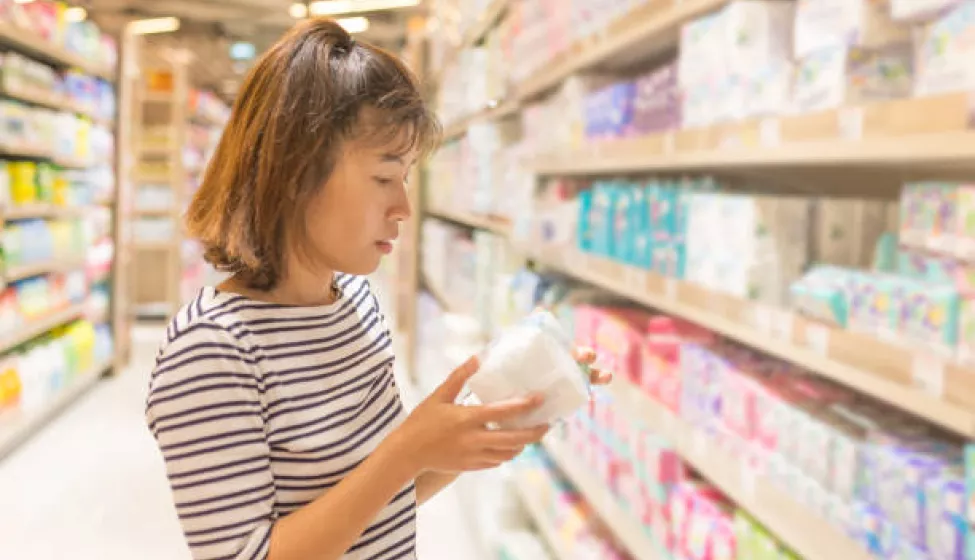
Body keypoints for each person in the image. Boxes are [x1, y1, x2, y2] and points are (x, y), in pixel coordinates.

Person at [145, 16, 610, 560]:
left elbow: (379, 505)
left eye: (407, 179)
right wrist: (403, 451)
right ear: (295, 174)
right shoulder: (211, 351)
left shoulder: (354, 305)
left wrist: (512, 407)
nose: (403, 209)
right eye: (385, 178)